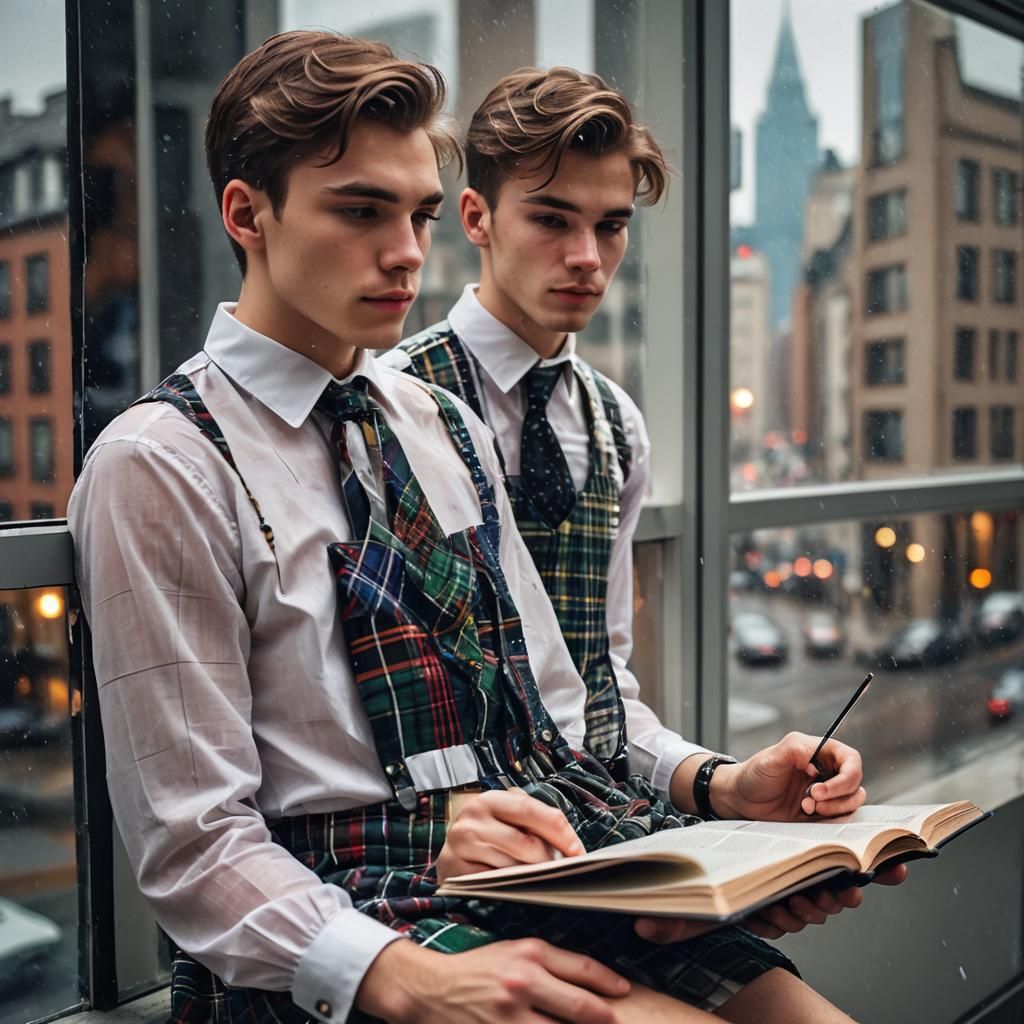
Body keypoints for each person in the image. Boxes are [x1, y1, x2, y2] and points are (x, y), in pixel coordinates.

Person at [70, 32, 883, 1024]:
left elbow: (557, 718)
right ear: (247, 214)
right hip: (341, 924)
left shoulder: (436, 421)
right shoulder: (161, 460)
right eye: (361, 210)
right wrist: (403, 970)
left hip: (521, 870)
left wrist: (716, 840)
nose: (407, 251)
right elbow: (195, 844)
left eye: (413, 212)